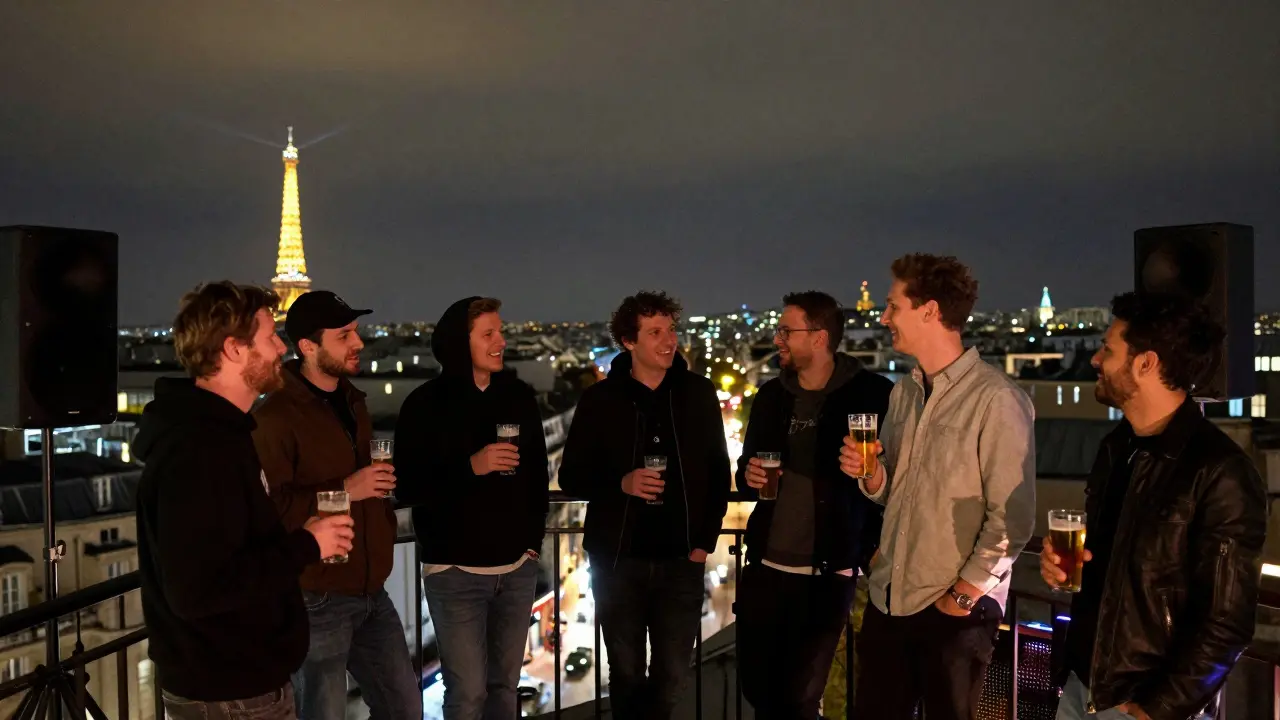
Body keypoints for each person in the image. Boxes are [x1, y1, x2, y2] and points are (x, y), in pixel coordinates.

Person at [1040, 292, 1265, 720]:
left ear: (1145, 363)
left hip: (1140, 705)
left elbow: (1226, 622)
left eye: (1109, 349)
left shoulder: (1221, 472)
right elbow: (1116, 568)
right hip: (1083, 689)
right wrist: (1062, 567)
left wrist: (1156, 710)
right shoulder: (1116, 447)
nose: (1095, 360)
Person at [134, 282, 354, 720]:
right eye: (271, 337)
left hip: (235, 685)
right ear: (234, 350)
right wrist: (308, 545)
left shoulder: (217, 435)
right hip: (232, 694)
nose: (281, 349)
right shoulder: (200, 450)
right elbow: (198, 591)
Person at [846, 254, 1036, 720]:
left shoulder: (997, 400)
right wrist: (871, 474)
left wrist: (963, 596)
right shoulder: (903, 393)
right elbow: (894, 491)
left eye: (893, 306)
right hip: (890, 599)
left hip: (954, 615)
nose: (883, 317)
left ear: (930, 311)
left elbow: (1012, 519)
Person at [558, 291, 731, 720]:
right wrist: (621, 482)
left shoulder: (697, 393)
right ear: (628, 341)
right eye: (655, 332)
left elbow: (717, 472)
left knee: (673, 673)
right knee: (627, 672)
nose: (669, 339)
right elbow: (571, 477)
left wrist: (701, 545)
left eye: (671, 329)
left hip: (681, 561)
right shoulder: (600, 400)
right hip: (618, 560)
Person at [252, 291, 421, 720]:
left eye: (356, 332)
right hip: (316, 596)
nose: (358, 343)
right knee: (322, 713)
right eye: (344, 335)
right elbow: (270, 510)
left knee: (406, 707)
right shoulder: (275, 417)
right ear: (308, 346)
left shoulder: (353, 403)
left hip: (370, 588)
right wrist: (349, 488)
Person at [733, 290, 893, 719]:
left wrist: (869, 545)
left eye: (787, 330)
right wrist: (747, 475)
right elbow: (745, 475)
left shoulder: (872, 395)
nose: (778, 338)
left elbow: (895, 481)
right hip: (766, 568)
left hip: (828, 572)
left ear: (819, 337)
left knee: (800, 698)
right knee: (758, 688)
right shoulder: (771, 397)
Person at [394, 296, 550, 720]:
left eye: (500, 331)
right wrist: (471, 467)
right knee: (467, 695)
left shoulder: (518, 397)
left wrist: (530, 546)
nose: (501, 340)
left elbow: (538, 476)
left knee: (504, 690)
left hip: (516, 571)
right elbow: (407, 487)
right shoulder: (424, 406)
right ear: (460, 343)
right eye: (489, 333)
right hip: (455, 573)